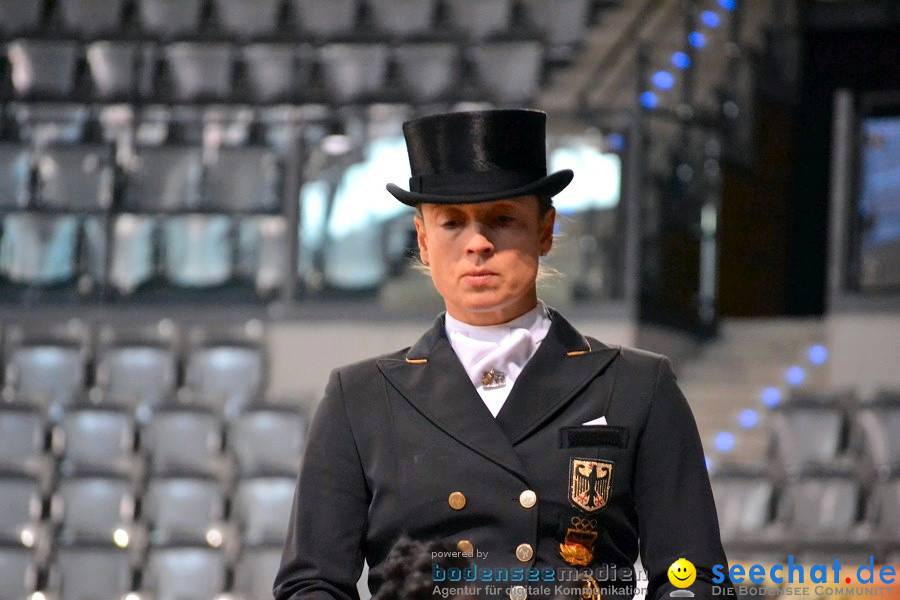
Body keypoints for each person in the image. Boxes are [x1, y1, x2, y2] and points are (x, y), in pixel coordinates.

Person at [274, 109, 733, 600]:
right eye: (452, 223)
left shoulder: (639, 386)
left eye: (503, 220)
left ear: (545, 230)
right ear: (424, 241)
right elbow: (312, 583)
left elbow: (694, 576)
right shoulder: (358, 397)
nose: (477, 243)